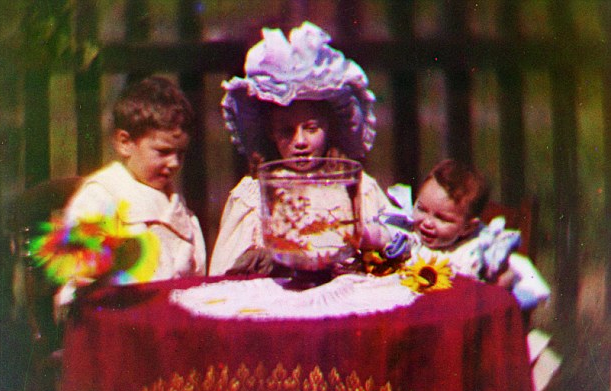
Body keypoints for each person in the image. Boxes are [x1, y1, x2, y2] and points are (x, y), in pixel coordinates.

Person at [209, 21, 392, 275]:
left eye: (311, 128)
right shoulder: (254, 196)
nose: (300, 142)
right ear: (271, 133)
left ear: (329, 128)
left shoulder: (357, 188)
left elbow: (392, 246)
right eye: (287, 131)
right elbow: (226, 274)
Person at [56, 76, 206, 308]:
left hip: (171, 313)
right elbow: (77, 263)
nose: (175, 163)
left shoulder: (176, 204)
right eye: (163, 151)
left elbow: (195, 272)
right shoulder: (103, 195)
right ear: (125, 143)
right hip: (115, 313)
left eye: (181, 153)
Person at [381, 159, 549, 309]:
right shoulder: (408, 232)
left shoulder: (475, 251)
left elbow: (507, 279)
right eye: (421, 209)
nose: (427, 222)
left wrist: (497, 278)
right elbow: (381, 237)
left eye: (442, 218)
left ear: (467, 227)